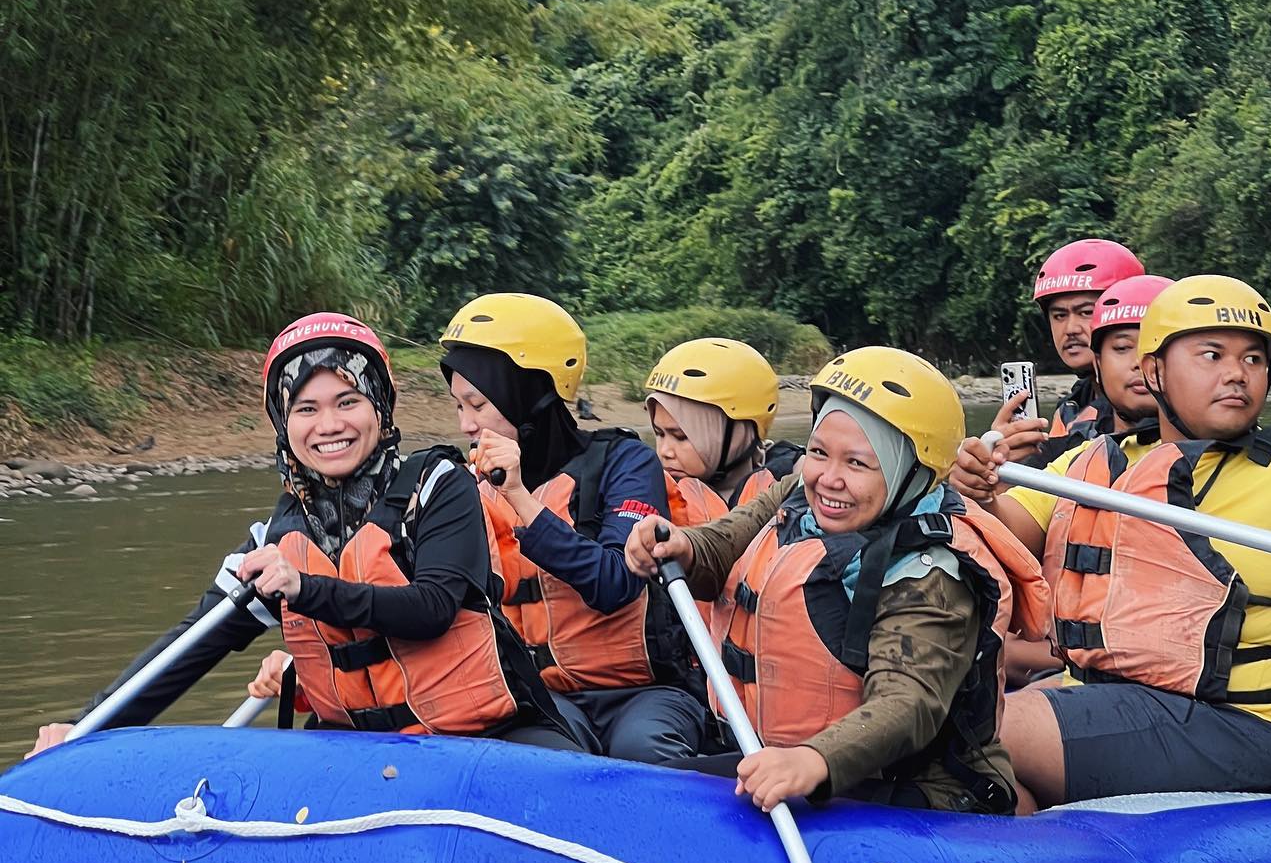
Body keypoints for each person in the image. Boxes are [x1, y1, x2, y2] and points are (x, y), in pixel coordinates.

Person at [951, 275, 1271, 811]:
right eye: (1212, 355)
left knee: (984, 730)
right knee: (960, 732)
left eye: (1253, 359)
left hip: (1241, 720)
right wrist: (979, 489)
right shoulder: (1090, 465)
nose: (1236, 373)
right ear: (1153, 369)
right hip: (1101, 690)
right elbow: (1009, 535)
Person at [32, 313, 577, 753]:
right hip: (356, 753)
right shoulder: (274, 536)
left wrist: (304, 589)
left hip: (488, 739)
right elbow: (189, 648)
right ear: (282, 423)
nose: (330, 425)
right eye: (306, 409)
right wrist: (84, 729)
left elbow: (433, 608)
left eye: (348, 402)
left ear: (380, 410)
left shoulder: (439, 486)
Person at [625, 347, 1051, 814]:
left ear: (911, 471)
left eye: (858, 463)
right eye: (819, 452)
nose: (829, 478)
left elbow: (907, 704)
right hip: (791, 761)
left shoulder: (931, 571)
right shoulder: (798, 494)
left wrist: (814, 760)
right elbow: (725, 542)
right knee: (657, 794)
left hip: (925, 794)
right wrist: (679, 545)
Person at [439, 293, 708, 763]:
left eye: (478, 404)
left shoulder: (625, 462)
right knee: (549, 757)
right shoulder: (465, 487)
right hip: (546, 697)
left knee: (640, 748)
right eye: (458, 406)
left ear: (524, 393)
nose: (466, 424)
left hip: (646, 692)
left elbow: (616, 582)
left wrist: (519, 496)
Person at [1002, 273, 1175, 688]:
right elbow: (1001, 524)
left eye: (1085, 311)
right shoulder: (1084, 453)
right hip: (1078, 646)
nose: (1140, 364)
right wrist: (982, 478)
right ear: (1099, 362)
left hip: (1145, 665)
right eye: (1121, 348)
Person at [644, 338, 801, 526]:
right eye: (659, 433)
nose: (664, 452)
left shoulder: (802, 486)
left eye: (681, 436)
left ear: (738, 436)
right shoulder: (642, 492)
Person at [1032, 237, 1147, 439]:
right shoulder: (1071, 408)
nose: (1070, 329)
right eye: (1059, 315)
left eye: (1086, 312)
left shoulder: (1153, 406)